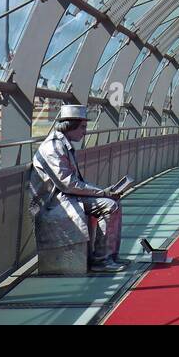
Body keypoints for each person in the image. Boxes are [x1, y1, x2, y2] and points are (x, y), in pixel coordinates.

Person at [29, 104, 127, 274]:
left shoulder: (62, 145)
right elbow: (68, 184)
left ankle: (108, 256)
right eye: (82, 127)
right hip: (54, 201)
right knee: (110, 205)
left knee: (113, 202)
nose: (85, 132)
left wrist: (104, 192)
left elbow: (71, 183)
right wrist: (102, 192)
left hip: (66, 196)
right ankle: (101, 260)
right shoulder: (53, 147)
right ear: (70, 125)